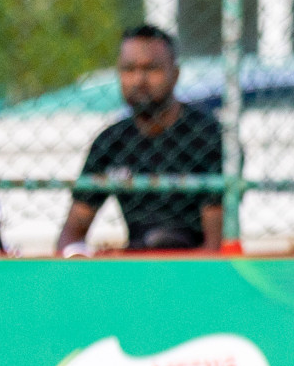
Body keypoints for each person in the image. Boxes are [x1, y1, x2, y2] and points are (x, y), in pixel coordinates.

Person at [55, 25, 224, 254]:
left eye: (151, 69)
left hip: (195, 272)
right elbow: (70, 235)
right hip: (134, 268)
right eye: (129, 69)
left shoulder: (207, 136)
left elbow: (215, 249)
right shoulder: (111, 142)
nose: (139, 80)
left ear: (175, 74)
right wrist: (82, 260)